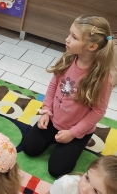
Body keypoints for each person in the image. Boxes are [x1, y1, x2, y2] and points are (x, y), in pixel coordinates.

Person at [21, 15, 114, 178]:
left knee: (57, 170)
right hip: (53, 119)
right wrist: (46, 111)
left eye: (74, 37)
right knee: (29, 148)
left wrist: (72, 133)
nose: (67, 39)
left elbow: (98, 112)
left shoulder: (102, 79)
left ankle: (78, 141)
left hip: (76, 130)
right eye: (69, 34)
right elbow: (53, 86)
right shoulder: (68, 58)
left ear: (92, 46)